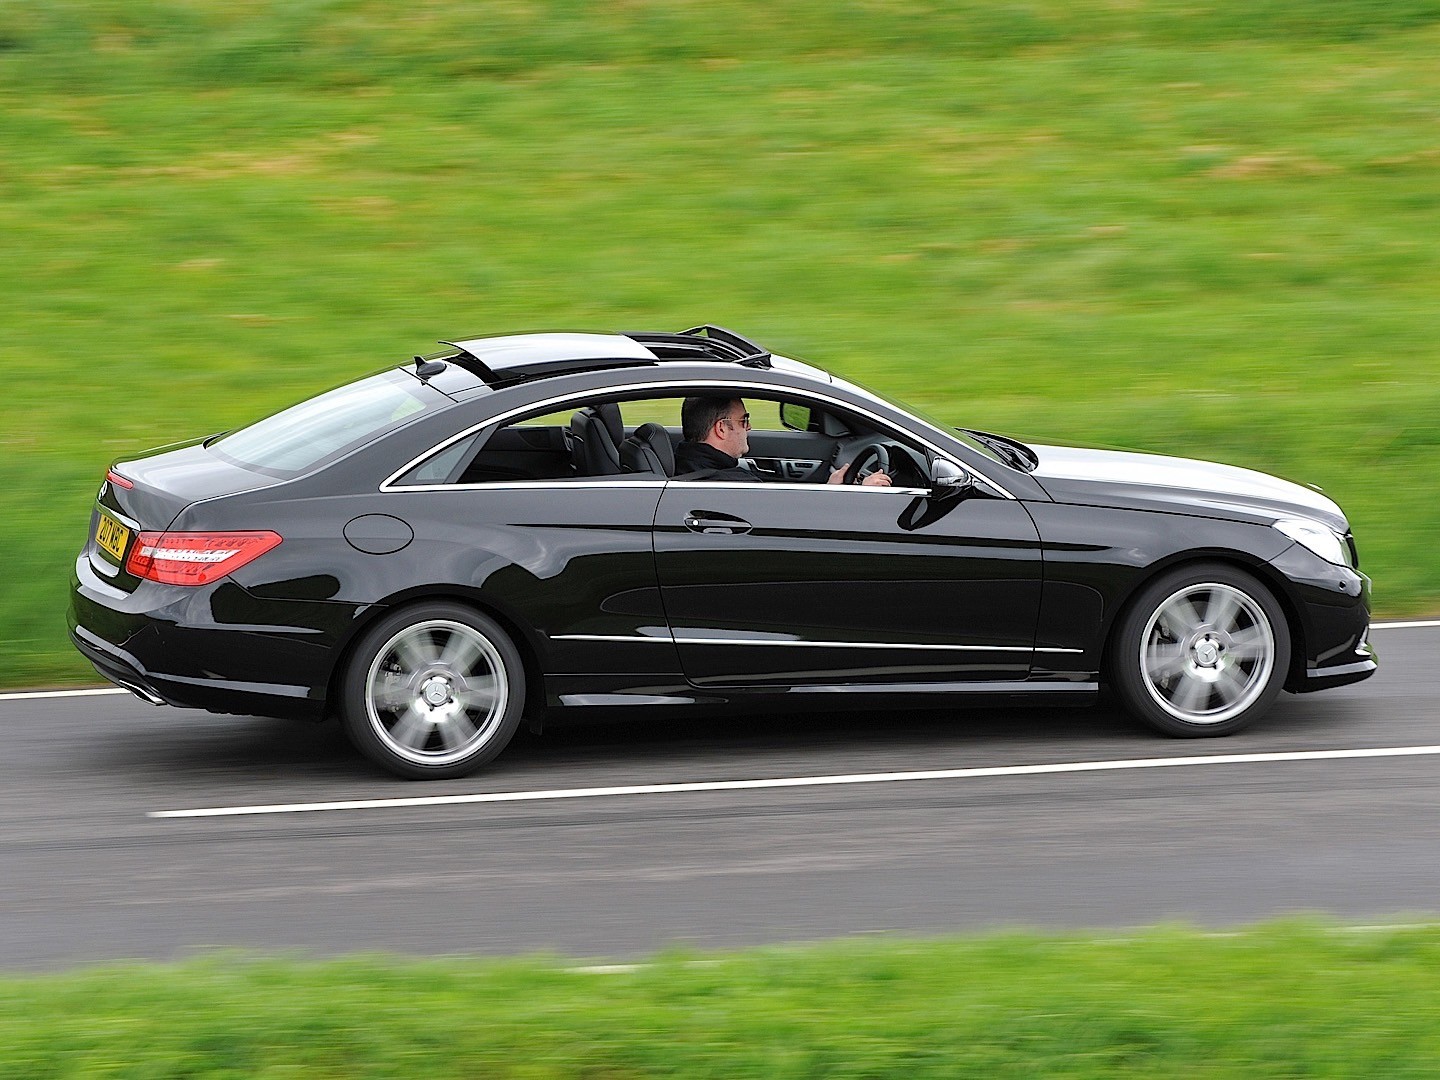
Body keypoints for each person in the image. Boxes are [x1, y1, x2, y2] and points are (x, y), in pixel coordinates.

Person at [673, 396, 891, 486]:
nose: (749, 427)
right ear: (721, 428)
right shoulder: (732, 484)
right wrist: (857, 494)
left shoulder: (687, 463)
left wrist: (831, 487)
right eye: (744, 420)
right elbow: (799, 524)